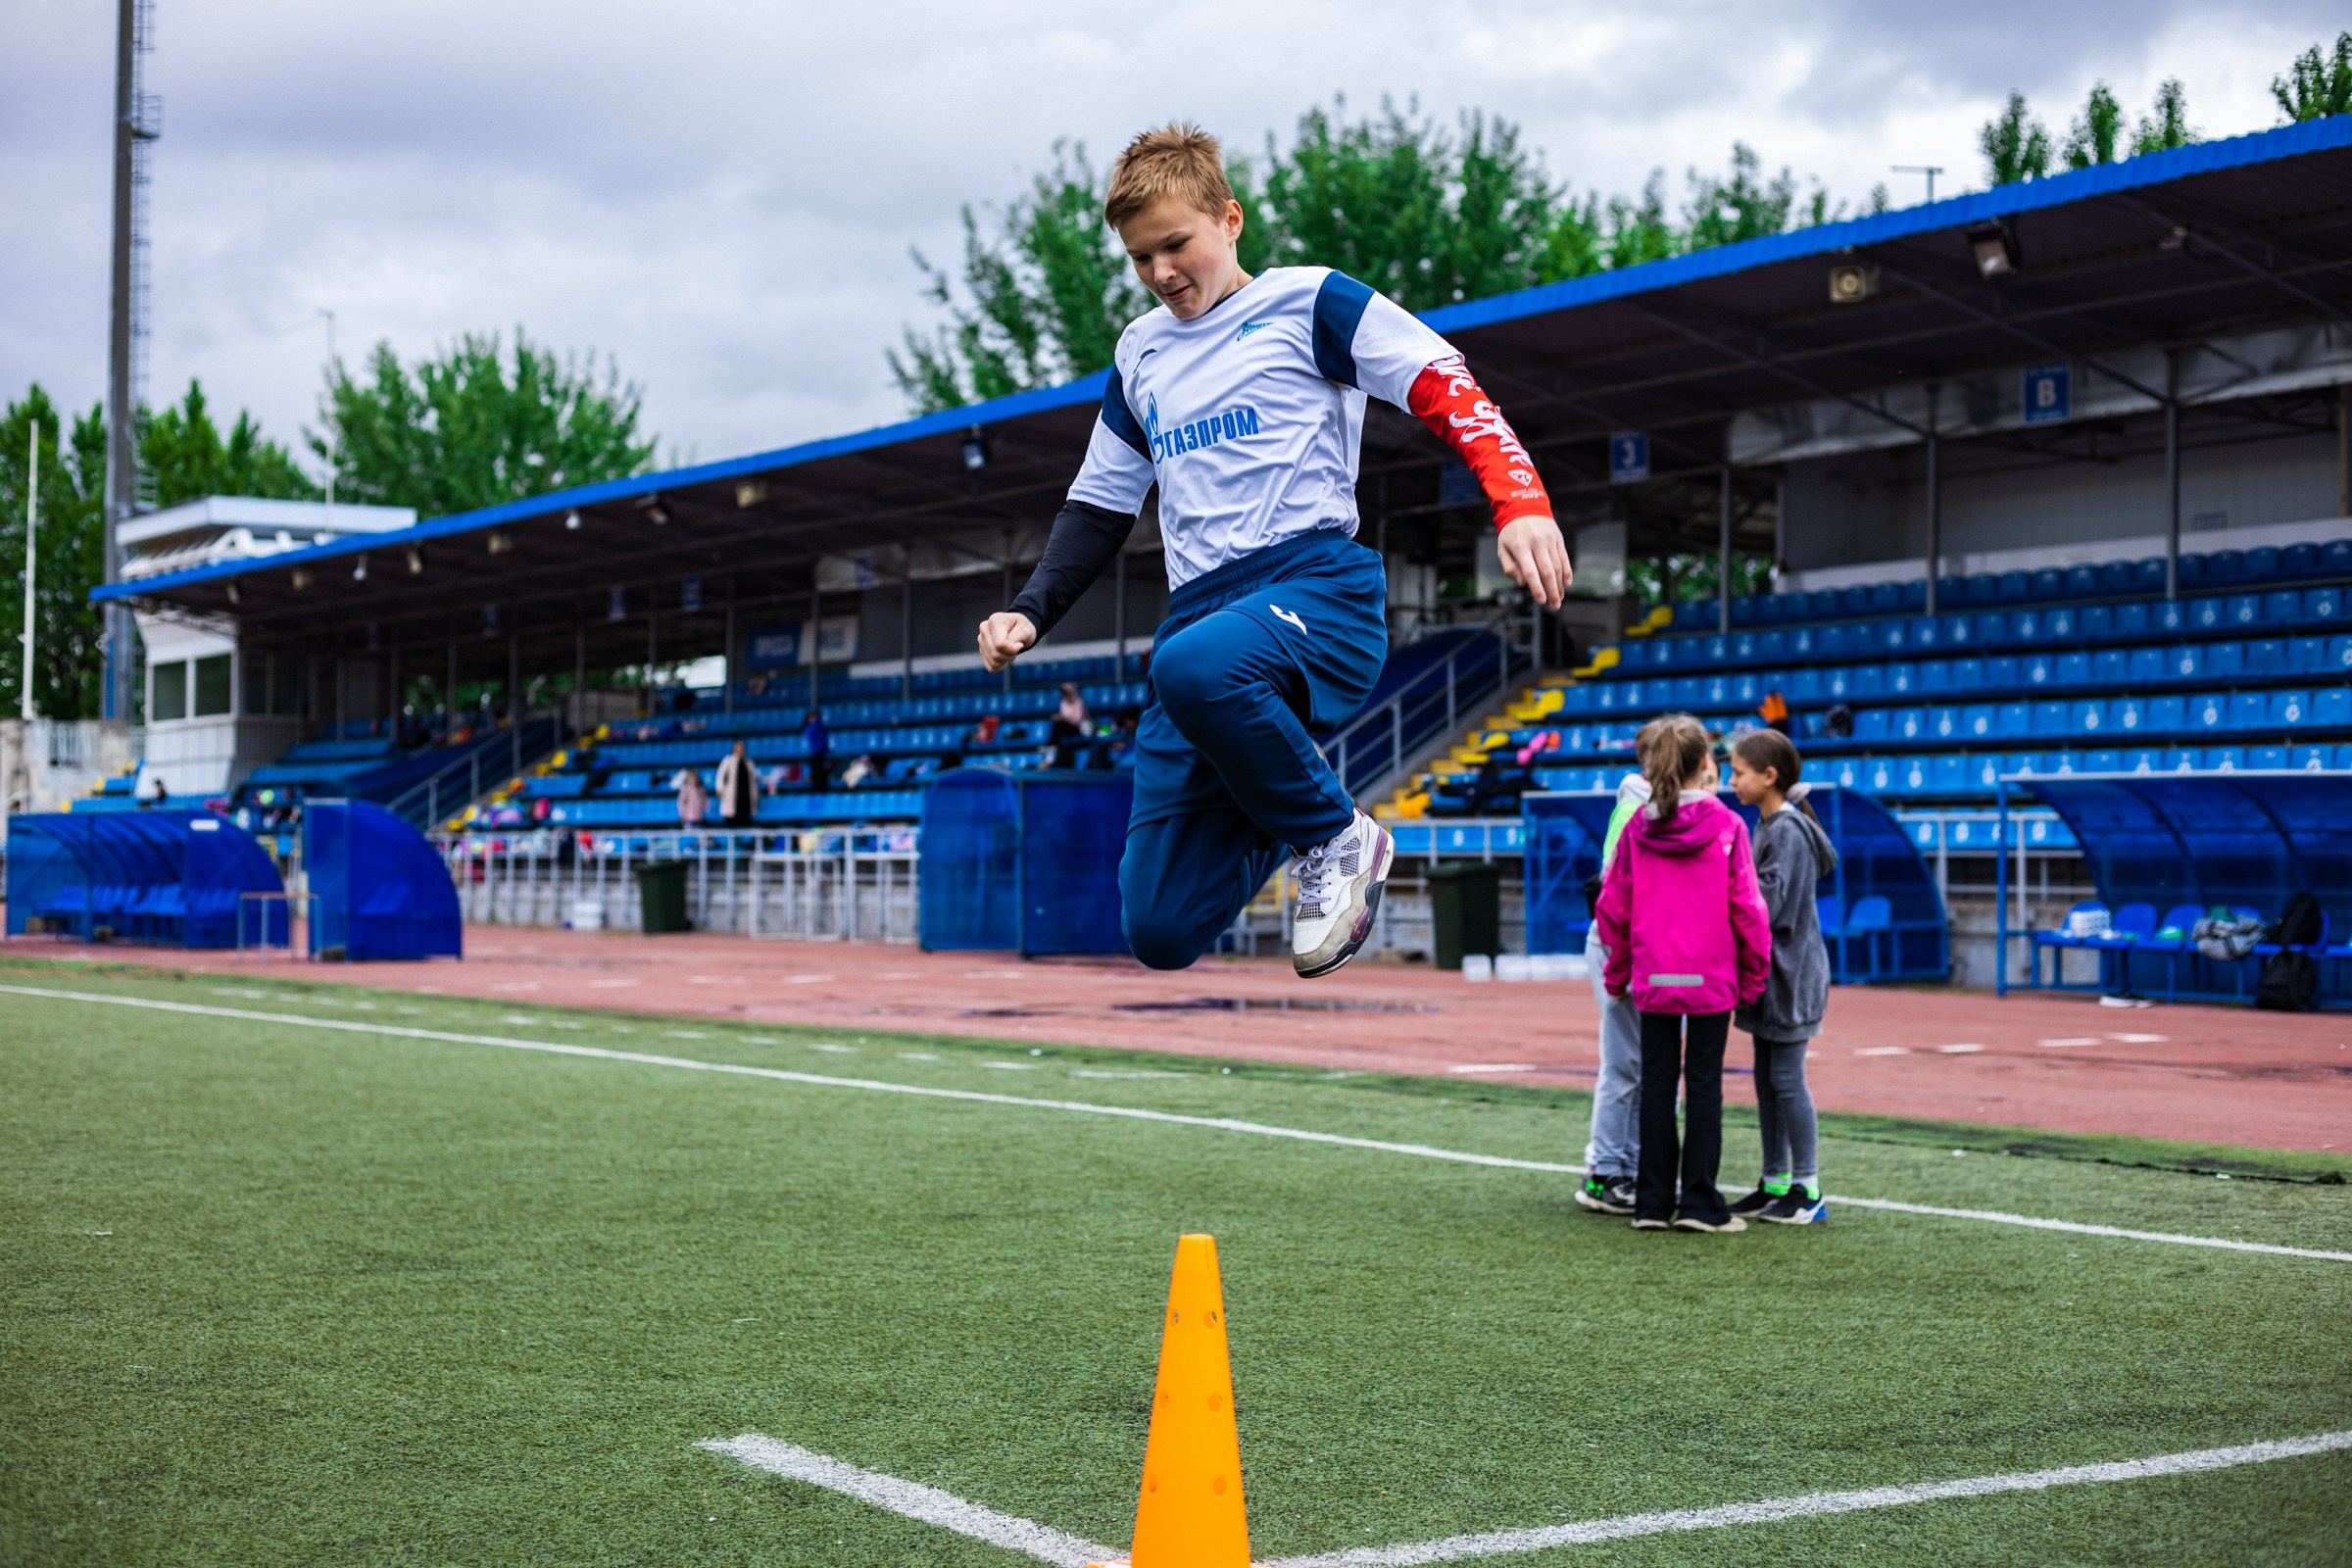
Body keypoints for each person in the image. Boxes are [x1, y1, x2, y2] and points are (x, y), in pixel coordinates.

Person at [974, 122, 1570, 977]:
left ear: (1230, 219)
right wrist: (1028, 611)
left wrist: (1519, 503)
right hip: (1204, 620)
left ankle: (1334, 839)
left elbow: (1445, 383)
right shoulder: (1139, 353)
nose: (1161, 273)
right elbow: (1099, 503)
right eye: (1141, 260)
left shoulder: (1309, 300)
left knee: (1192, 666)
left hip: (1314, 590)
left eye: (1176, 245)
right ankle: (1282, 809)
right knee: (1161, 926)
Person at [1594, 713, 1770, 1233]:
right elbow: (1748, 909)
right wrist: (1754, 977)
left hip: (1653, 977)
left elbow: (1613, 908)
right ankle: (1698, 1203)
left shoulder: (1638, 826)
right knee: (1704, 1087)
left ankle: (1651, 1203)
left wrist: (1617, 973)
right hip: (1713, 977)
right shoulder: (1728, 825)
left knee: (1656, 1086)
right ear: (1703, 764)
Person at [1728, 728, 1836, 1225]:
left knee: (1787, 1080)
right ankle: (1774, 1182)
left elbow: (1767, 906)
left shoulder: (1786, 830)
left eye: (1739, 773)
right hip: (1770, 976)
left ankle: (1807, 1188)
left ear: (1769, 776)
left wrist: (1721, 895)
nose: (1732, 782)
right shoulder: (1767, 826)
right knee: (1767, 1081)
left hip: (1792, 978)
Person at [1574, 733, 1659, 1217]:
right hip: (1619, 946)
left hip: (1639, 949)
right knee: (1625, 1062)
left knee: (1642, 1063)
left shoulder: (1649, 808)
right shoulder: (1635, 811)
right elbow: (1616, 892)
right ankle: (1607, 1172)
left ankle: (1627, 1167)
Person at [714, 738, 760, 828]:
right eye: (738, 749)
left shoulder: (749, 763)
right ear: (734, 749)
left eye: (742, 749)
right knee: (731, 820)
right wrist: (719, 788)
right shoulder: (728, 761)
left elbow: (754, 781)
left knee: (746, 819)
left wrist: (755, 794)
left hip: (746, 796)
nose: (740, 751)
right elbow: (720, 776)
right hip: (732, 795)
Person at [1050, 682, 1092, 768]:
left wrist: (1064, 718)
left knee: (1059, 724)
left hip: (1080, 729)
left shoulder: (1080, 703)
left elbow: (1078, 721)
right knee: (1057, 723)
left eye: (1066, 693)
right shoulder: (1063, 703)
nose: (1064, 696)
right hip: (1067, 729)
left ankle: (1052, 744)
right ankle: (1053, 745)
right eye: (1063, 694)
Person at [803, 709, 830, 793]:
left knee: (820, 772)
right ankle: (817, 788)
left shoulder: (819, 725)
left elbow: (823, 736)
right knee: (816, 772)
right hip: (815, 752)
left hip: (819, 752)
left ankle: (821, 788)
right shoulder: (811, 726)